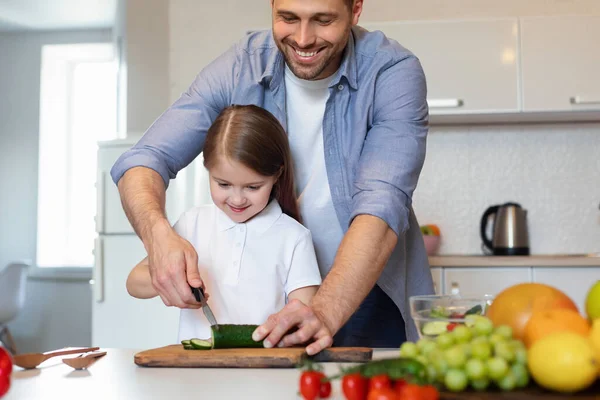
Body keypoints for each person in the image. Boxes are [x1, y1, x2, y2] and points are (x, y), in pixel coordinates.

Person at [111, 0, 434, 355]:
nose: (303, 38)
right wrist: (159, 240)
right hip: (272, 305)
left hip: (365, 290)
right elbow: (145, 159)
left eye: (323, 20)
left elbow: (381, 203)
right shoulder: (241, 66)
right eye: (288, 18)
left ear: (356, 9)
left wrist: (321, 312)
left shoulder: (392, 72)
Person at [125, 105, 322, 342]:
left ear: (276, 175)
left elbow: (303, 316)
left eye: (252, 187)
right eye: (223, 184)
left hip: (266, 373)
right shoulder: (192, 223)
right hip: (196, 373)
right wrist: (171, 280)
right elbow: (133, 283)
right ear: (207, 170)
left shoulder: (294, 237)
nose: (237, 199)